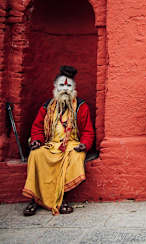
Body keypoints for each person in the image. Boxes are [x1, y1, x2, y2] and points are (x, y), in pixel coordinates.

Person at [22, 66, 94, 216]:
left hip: (72, 144)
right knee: (36, 155)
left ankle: (63, 198)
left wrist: (84, 145)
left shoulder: (81, 106)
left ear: (74, 88)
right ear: (55, 87)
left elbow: (88, 131)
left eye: (69, 86)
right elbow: (37, 128)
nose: (65, 89)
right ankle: (34, 199)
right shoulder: (47, 107)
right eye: (62, 85)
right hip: (50, 144)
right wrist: (36, 140)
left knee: (74, 157)